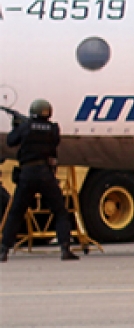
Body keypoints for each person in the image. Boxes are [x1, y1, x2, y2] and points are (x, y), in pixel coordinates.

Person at [1, 99, 79, 261]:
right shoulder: (53, 129)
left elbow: (11, 141)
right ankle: (65, 249)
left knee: (16, 213)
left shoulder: (25, 127)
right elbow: (53, 142)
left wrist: (16, 125)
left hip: (27, 174)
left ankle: (3, 250)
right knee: (60, 212)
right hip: (46, 174)